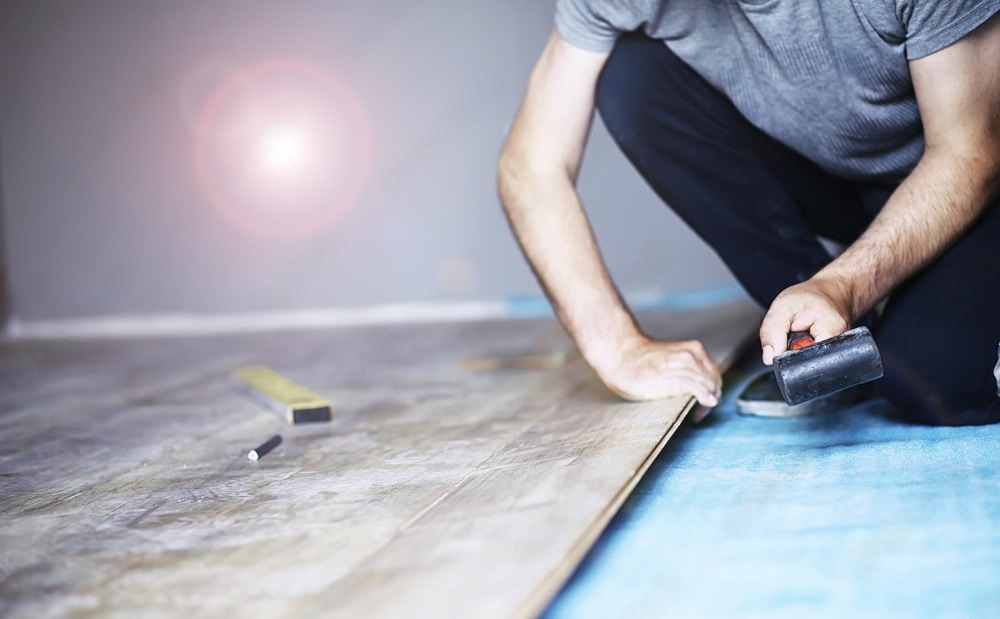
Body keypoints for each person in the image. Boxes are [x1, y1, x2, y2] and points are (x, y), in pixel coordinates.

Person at [497, 0, 1000, 426]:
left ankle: (858, 307)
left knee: (936, 382)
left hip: (968, 181)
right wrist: (618, 348)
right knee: (630, 74)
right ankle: (812, 334)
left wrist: (844, 284)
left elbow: (970, 153)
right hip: (839, 181)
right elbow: (532, 165)